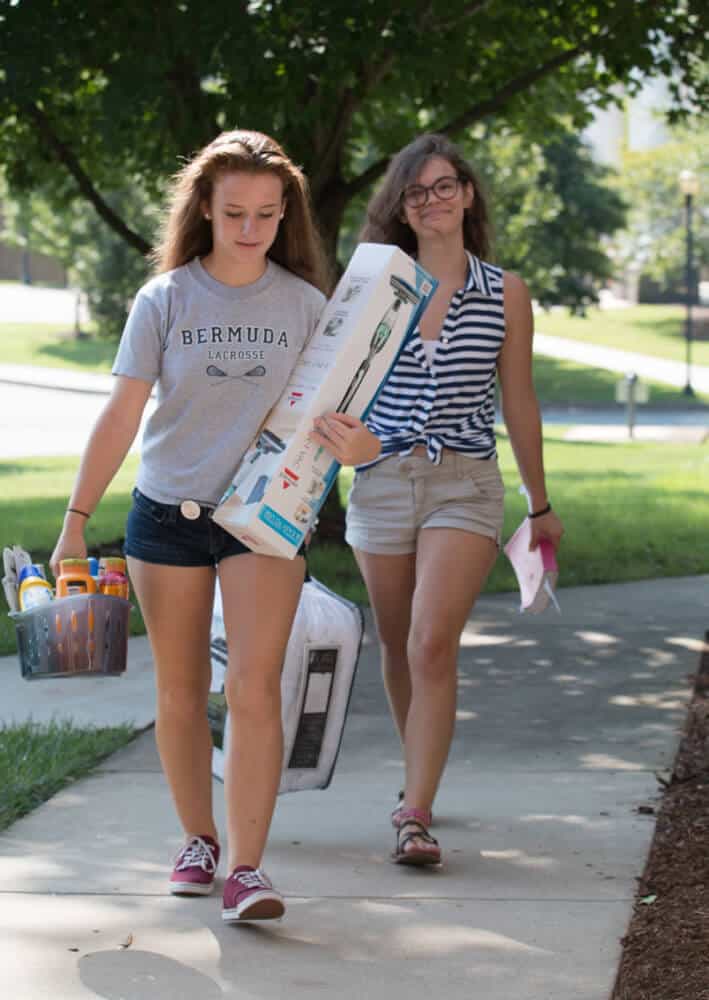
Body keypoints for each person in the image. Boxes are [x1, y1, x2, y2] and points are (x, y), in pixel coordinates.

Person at [50, 129, 380, 922]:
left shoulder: (309, 306)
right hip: (166, 514)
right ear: (204, 206)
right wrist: (74, 520)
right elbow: (122, 412)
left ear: (283, 216)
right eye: (234, 212)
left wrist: (361, 446)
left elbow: (352, 419)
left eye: (266, 215)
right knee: (180, 690)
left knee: (254, 686)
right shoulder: (164, 300)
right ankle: (197, 840)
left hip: (262, 520)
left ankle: (249, 871)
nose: (248, 229)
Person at [345, 133, 564, 867]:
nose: (432, 200)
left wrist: (538, 504)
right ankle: (420, 783)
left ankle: (413, 814)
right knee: (399, 645)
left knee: (431, 642)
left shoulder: (503, 291)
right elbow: (336, 387)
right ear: (399, 209)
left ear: (467, 195)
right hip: (379, 481)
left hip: (464, 481)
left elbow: (520, 400)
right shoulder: (377, 283)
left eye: (444, 186)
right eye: (416, 192)